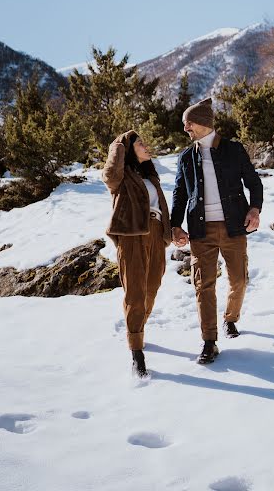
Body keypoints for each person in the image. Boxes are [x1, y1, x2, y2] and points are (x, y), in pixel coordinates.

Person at [171, 98, 263, 364]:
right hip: (200, 231)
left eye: (188, 123)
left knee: (239, 280)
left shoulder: (233, 150)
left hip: (234, 226)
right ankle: (209, 341)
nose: (185, 128)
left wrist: (254, 210)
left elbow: (254, 183)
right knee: (203, 285)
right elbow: (179, 194)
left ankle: (231, 318)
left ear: (202, 123)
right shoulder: (186, 157)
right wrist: (175, 225)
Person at [102, 130, 171, 378]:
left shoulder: (150, 176)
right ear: (129, 150)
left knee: (152, 287)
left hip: (155, 233)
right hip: (131, 236)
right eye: (140, 143)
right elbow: (108, 175)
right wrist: (120, 144)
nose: (146, 146)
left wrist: (170, 231)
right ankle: (136, 351)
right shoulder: (121, 177)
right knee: (135, 292)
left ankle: (137, 329)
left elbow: (160, 207)